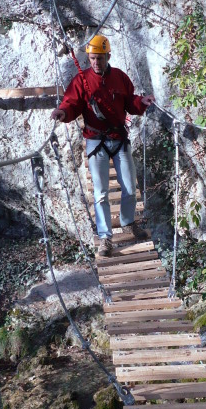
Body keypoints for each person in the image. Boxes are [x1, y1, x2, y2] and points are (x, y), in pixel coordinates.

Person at [51, 34, 154, 257]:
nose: (96, 63)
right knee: (100, 193)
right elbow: (72, 103)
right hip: (95, 139)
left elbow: (130, 103)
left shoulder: (120, 78)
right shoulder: (82, 80)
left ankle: (128, 222)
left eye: (100, 58)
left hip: (118, 137)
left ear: (108, 56)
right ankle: (105, 237)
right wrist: (63, 112)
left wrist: (141, 103)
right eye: (92, 59)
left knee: (129, 186)